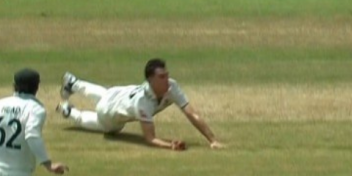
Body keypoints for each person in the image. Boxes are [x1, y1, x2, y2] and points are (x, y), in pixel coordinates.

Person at [56, 58, 225, 151]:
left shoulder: (172, 86)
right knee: (109, 128)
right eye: (161, 77)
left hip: (117, 93)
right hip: (109, 113)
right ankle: (69, 112)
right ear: (150, 80)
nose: (167, 80)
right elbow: (150, 138)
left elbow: (191, 113)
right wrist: (170, 145)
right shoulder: (143, 103)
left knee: (105, 94)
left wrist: (212, 140)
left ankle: (74, 83)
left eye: (167, 75)